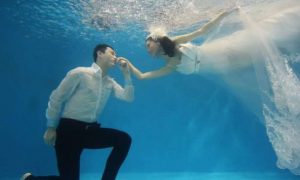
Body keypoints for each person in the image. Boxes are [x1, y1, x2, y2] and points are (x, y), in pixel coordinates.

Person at [120, 1, 300, 175]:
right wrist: (128, 65)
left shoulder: (176, 43)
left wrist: (224, 13)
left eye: (148, 44)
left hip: (220, 52)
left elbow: (202, 30)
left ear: (157, 40)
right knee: (258, 58)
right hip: (222, 68)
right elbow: (143, 76)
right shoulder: (170, 66)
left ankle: (291, 22)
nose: (147, 48)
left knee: (259, 41)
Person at [21, 44, 134, 180]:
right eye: (112, 53)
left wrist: (126, 74)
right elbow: (57, 98)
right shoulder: (80, 73)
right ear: (100, 53)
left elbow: (128, 97)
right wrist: (51, 127)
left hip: (90, 132)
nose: (115, 57)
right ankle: (30, 179)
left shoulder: (109, 82)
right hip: (68, 132)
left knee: (124, 140)